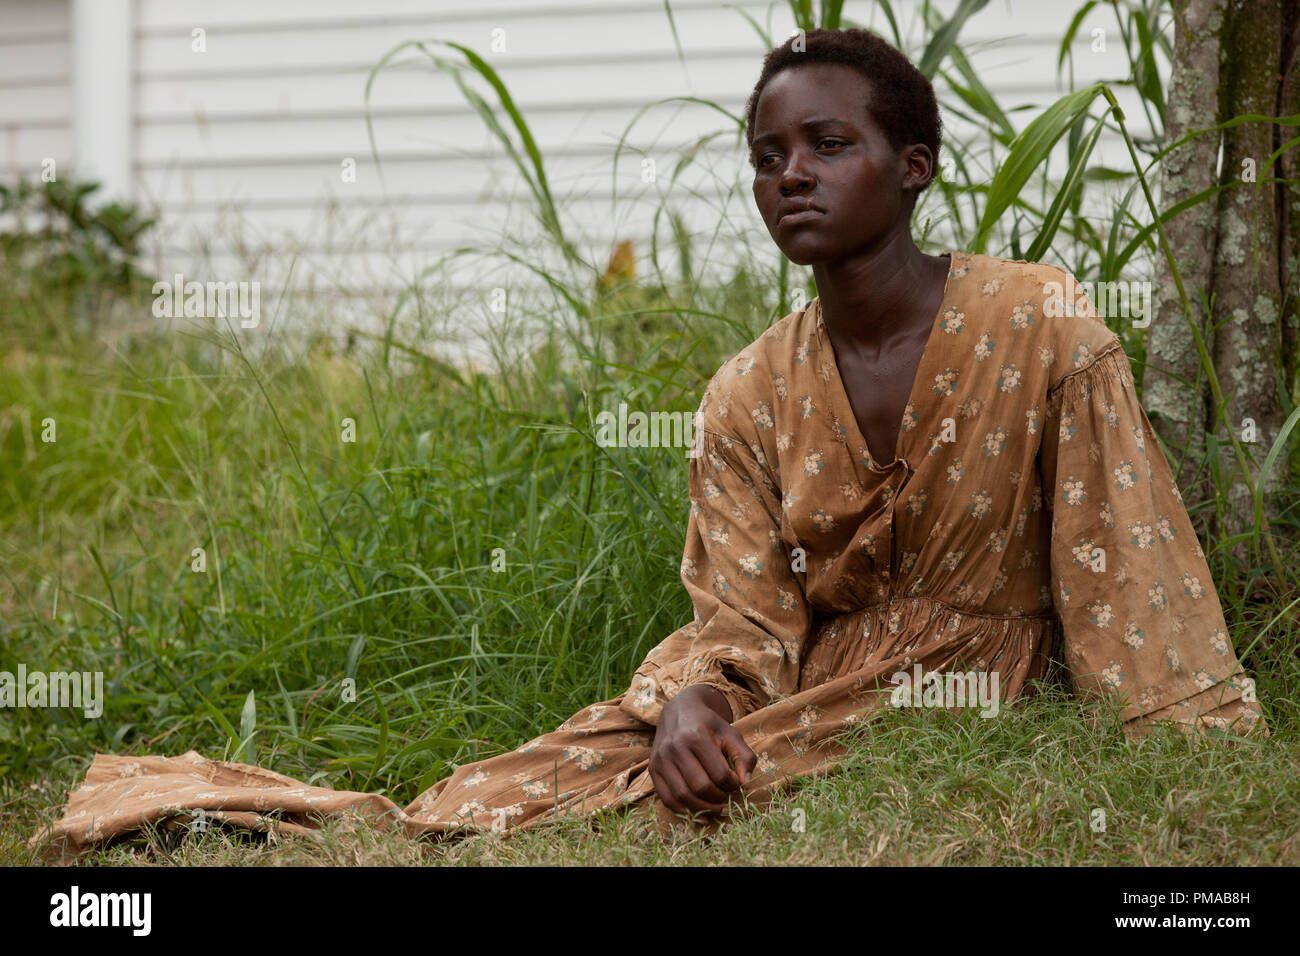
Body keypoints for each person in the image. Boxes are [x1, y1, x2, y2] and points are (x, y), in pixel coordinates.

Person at [32, 28, 1266, 859]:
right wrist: (689, 698)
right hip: (807, 671)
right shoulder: (748, 389)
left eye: (828, 145)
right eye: (767, 156)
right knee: (507, 789)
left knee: (637, 806)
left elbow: (1124, 555)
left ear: (915, 164)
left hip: (970, 684)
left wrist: (1181, 739)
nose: (792, 175)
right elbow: (741, 609)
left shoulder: (1035, 320)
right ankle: (213, 812)